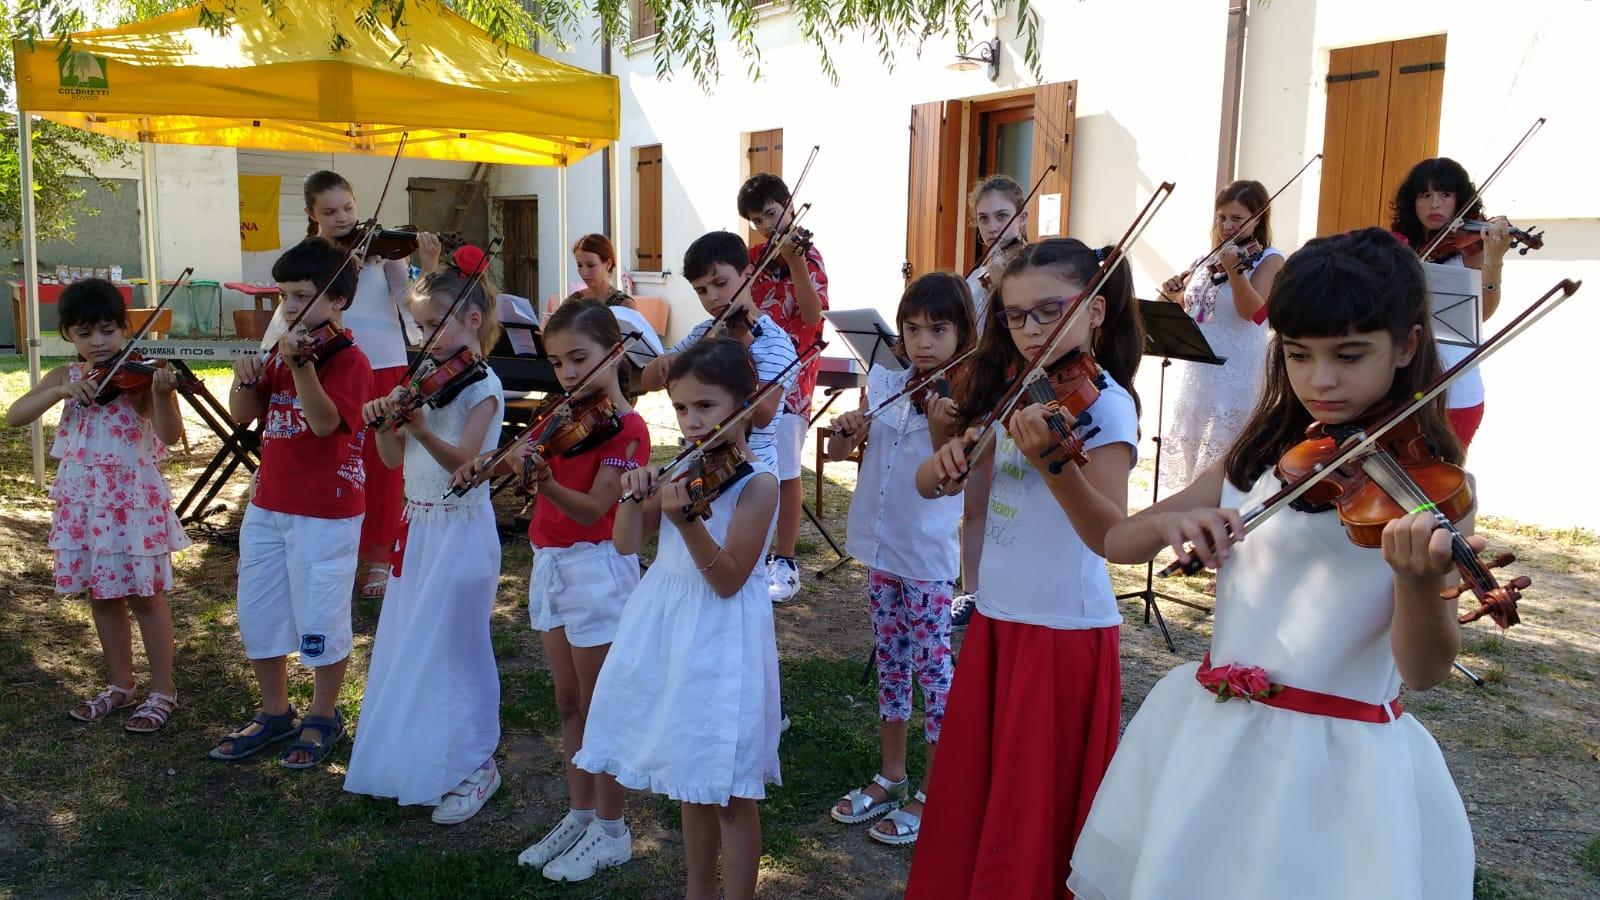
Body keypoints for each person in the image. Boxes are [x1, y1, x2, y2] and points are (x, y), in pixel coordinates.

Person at [1068, 228, 1474, 900]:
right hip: (1216, 737)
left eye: (1349, 355)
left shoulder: (1429, 489)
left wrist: (1415, 577)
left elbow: (1424, 669)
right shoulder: (1257, 460)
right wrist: (1171, 522)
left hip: (1336, 765)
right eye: (1297, 355)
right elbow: (1117, 543)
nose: (1321, 379)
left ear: (1405, 344)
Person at [906, 239, 1144, 899]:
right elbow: (932, 486)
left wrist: (1052, 461)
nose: (1032, 329)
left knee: (1032, 815)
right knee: (982, 801)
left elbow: (1111, 531)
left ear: (1096, 313)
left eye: (1049, 312)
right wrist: (943, 455)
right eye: (1016, 317)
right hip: (1000, 619)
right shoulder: (1013, 390)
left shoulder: (1106, 405)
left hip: (1059, 632)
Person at [575, 338, 782, 900]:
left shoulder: (757, 485)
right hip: (672, 630)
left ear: (746, 402)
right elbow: (623, 544)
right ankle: (699, 891)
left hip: (721, 641)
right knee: (693, 779)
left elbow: (728, 577)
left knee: (731, 792)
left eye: (706, 407)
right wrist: (632, 495)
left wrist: (687, 522)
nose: (692, 422)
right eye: (681, 409)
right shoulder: (682, 469)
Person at [480, 300, 652, 881]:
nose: (569, 374)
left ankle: (612, 829)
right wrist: (491, 463)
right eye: (557, 363)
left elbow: (593, 510)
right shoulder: (563, 416)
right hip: (551, 564)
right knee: (568, 702)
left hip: (596, 571)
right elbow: (523, 459)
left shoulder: (627, 430)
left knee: (600, 707)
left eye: (579, 358)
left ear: (617, 351)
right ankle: (580, 815)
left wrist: (544, 482)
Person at [344, 265, 504, 824]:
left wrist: (419, 429)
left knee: (457, 648)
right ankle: (419, 756)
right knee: (414, 643)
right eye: (419, 330)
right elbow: (391, 463)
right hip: (418, 527)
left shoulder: (482, 387)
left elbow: (468, 467)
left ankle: (478, 761)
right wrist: (386, 424)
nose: (424, 341)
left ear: (472, 321)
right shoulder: (420, 385)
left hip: (460, 531)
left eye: (435, 327)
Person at [212, 237, 374, 769]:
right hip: (269, 503)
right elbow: (242, 416)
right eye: (284, 295)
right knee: (258, 606)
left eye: (303, 295)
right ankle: (275, 710)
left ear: (338, 301)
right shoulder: (282, 351)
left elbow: (325, 423)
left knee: (322, 609)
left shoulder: (349, 360)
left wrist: (302, 366)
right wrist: (244, 379)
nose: (290, 307)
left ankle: (324, 714)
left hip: (326, 510)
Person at [824, 273, 974, 845]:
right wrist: (845, 430)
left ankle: (934, 792)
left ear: (963, 333)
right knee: (891, 664)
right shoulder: (885, 382)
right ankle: (892, 772)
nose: (923, 342)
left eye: (938, 330)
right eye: (912, 329)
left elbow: (954, 483)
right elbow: (843, 452)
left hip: (928, 558)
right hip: (881, 547)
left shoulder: (964, 398)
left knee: (934, 675)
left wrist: (942, 430)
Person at [6, 279, 190, 733]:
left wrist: (163, 394)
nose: (98, 342)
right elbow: (14, 416)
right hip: (85, 505)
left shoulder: (140, 380)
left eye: (108, 331)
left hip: (131, 504)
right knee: (102, 597)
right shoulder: (66, 377)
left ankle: (163, 690)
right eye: (85, 333)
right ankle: (121, 685)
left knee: (146, 597)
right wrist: (56, 394)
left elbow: (168, 435)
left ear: (125, 329)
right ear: (68, 335)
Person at [302, 170, 441, 599]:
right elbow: (307, 309)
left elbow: (410, 304)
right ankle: (339, 553)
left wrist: (430, 268)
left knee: (383, 465)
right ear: (311, 214)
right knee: (339, 459)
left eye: (347, 208)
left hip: (384, 364)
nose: (342, 218)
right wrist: (342, 276)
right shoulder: (312, 256)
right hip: (336, 364)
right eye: (329, 211)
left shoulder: (386, 253)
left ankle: (380, 556)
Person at [1156, 179, 1285, 496]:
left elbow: (1255, 315)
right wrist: (1174, 294)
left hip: (1237, 375)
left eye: (1237, 218)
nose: (1227, 226)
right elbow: (1195, 310)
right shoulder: (1204, 259)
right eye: (1222, 217)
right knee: (1190, 453)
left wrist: (1236, 272)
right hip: (1200, 373)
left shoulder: (1269, 259)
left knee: (1222, 461)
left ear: (1257, 219)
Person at [738, 173, 829, 603]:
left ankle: (787, 560)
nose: (767, 227)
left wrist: (794, 263)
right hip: (751, 370)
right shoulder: (753, 258)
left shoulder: (809, 259)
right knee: (751, 458)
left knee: (788, 469)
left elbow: (812, 316)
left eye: (771, 214)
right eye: (757, 221)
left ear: (789, 206)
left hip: (792, 376)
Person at [643, 231, 800, 478]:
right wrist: (663, 363)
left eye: (720, 283)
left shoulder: (773, 343)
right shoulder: (705, 331)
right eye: (701, 291)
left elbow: (763, 417)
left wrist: (745, 350)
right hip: (703, 460)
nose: (712, 297)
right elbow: (647, 381)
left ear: (748, 275)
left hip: (752, 467)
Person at [1389, 157, 1513, 449]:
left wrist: (1494, 260)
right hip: (1404, 389)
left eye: (1445, 194)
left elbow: (1482, 312)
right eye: (1425, 195)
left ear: (1459, 200)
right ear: (1413, 202)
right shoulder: (1401, 249)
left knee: (1444, 481)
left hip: (1456, 389)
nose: (1435, 204)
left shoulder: (1472, 249)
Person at [951, 175, 1030, 627]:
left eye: (1002, 216)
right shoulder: (978, 272)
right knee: (974, 499)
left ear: (1021, 217)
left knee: (1014, 496)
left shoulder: (1030, 267)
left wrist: (1005, 287)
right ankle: (972, 589)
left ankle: (1010, 581)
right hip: (980, 388)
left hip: (1017, 390)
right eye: (983, 218)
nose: (992, 226)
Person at [564, 233, 636, 309]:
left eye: (591, 265)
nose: (584, 272)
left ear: (608, 264)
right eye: (579, 265)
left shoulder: (623, 304)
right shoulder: (573, 301)